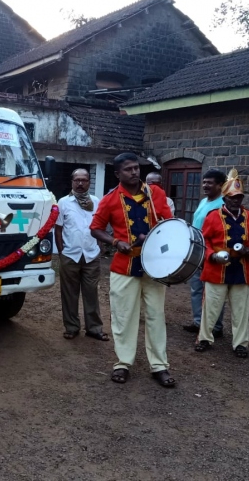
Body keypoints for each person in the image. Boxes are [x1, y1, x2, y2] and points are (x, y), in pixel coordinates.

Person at [90, 152, 175, 387]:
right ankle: (123, 363)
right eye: (128, 169)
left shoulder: (156, 193)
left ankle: (159, 366)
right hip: (124, 267)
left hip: (155, 267)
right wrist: (116, 242)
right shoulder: (109, 199)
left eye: (136, 168)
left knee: (156, 316)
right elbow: (96, 228)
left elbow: (168, 224)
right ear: (117, 174)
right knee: (123, 317)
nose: (134, 172)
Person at [194, 169, 249, 358]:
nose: (236, 201)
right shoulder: (213, 216)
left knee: (241, 309)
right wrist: (212, 256)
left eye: (239, 197)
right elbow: (204, 241)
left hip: (241, 268)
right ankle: (204, 338)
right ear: (225, 198)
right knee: (211, 306)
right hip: (217, 268)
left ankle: (240, 343)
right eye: (232, 197)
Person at [55, 168, 107, 341]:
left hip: (91, 255)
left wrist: (99, 247)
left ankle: (94, 328)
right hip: (70, 255)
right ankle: (71, 327)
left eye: (84, 180)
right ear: (72, 182)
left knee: (91, 292)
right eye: (76, 180)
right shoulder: (63, 202)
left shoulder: (96, 202)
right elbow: (58, 228)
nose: (80, 183)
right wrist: (61, 251)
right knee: (69, 293)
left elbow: (100, 226)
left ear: (89, 183)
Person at [183, 170, 227, 336]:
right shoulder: (204, 201)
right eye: (204, 182)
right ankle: (198, 321)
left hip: (212, 254)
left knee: (213, 292)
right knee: (196, 289)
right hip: (197, 252)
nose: (205, 185)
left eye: (209, 183)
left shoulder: (223, 205)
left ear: (220, 185)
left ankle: (215, 327)